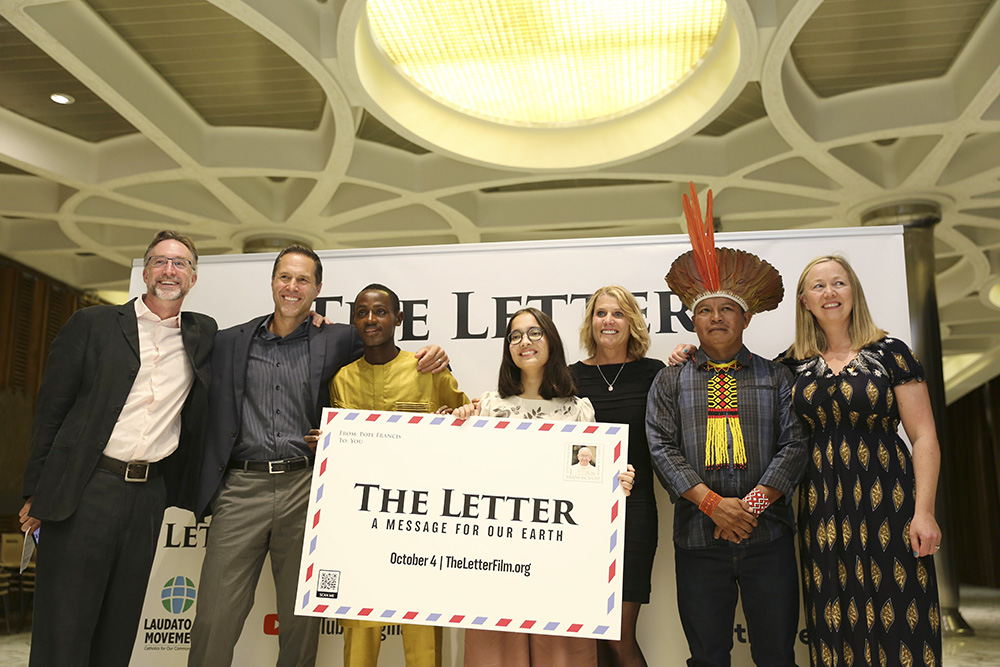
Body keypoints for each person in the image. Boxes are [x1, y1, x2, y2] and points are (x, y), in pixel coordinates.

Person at [669, 254, 945, 666]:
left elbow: (924, 436)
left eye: (839, 283)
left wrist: (924, 512)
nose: (829, 293)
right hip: (823, 506)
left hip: (889, 500)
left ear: (854, 291)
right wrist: (692, 350)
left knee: (902, 610)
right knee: (835, 613)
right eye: (819, 286)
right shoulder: (791, 365)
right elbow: (730, 365)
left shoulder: (891, 352)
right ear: (804, 300)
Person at [189, 247, 449, 667]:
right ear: (272, 281)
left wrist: (435, 355)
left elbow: (385, 355)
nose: (293, 288)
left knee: (300, 618)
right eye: (286, 278)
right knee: (214, 616)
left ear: (318, 289)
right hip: (240, 487)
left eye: (303, 280)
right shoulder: (229, 342)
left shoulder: (339, 338)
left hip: (305, 489)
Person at [19, 230, 216, 667]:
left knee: (120, 628)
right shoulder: (92, 325)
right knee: (64, 628)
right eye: (160, 261)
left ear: (193, 278)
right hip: (85, 490)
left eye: (180, 263)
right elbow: (51, 409)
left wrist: (313, 321)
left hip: (148, 499)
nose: (170, 270)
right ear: (145, 271)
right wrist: (37, 491)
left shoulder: (203, 334)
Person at [647, 185, 807, 667]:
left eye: (726, 309)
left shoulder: (777, 376)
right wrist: (715, 505)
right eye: (705, 310)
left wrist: (749, 507)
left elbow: (795, 444)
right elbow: (661, 447)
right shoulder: (670, 379)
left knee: (777, 656)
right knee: (707, 658)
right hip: (698, 540)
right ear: (693, 320)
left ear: (746, 317)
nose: (715, 317)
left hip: (769, 538)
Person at [454, 307, 636, 667]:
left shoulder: (579, 411)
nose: (525, 342)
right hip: (497, 560)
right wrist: (458, 426)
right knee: (496, 651)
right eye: (515, 335)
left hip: (560, 561)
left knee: (562, 653)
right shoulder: (487, 407)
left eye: (535, 333)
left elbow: (590, 483)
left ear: (551, 340)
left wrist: (616, 482)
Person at [314, 283, 469, 667]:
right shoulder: (342, 380)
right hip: (360, 522)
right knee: (359, 630)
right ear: (354, 321)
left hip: (420, 522)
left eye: (381, 311)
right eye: (363, 312)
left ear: (399, 318)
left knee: (423, 634)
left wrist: (454, 421)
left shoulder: (427, 370)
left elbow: (467, 423)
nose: (371, 320)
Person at [570, 286, 664, 667]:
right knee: (589, 637)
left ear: (632, 323)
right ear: (590, 322)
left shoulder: (655, 372)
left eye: (618, 314)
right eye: (601, 313)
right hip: (581, 516)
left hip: (635, 511)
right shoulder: (569, 376)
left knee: (620, 636)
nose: (608, 321)